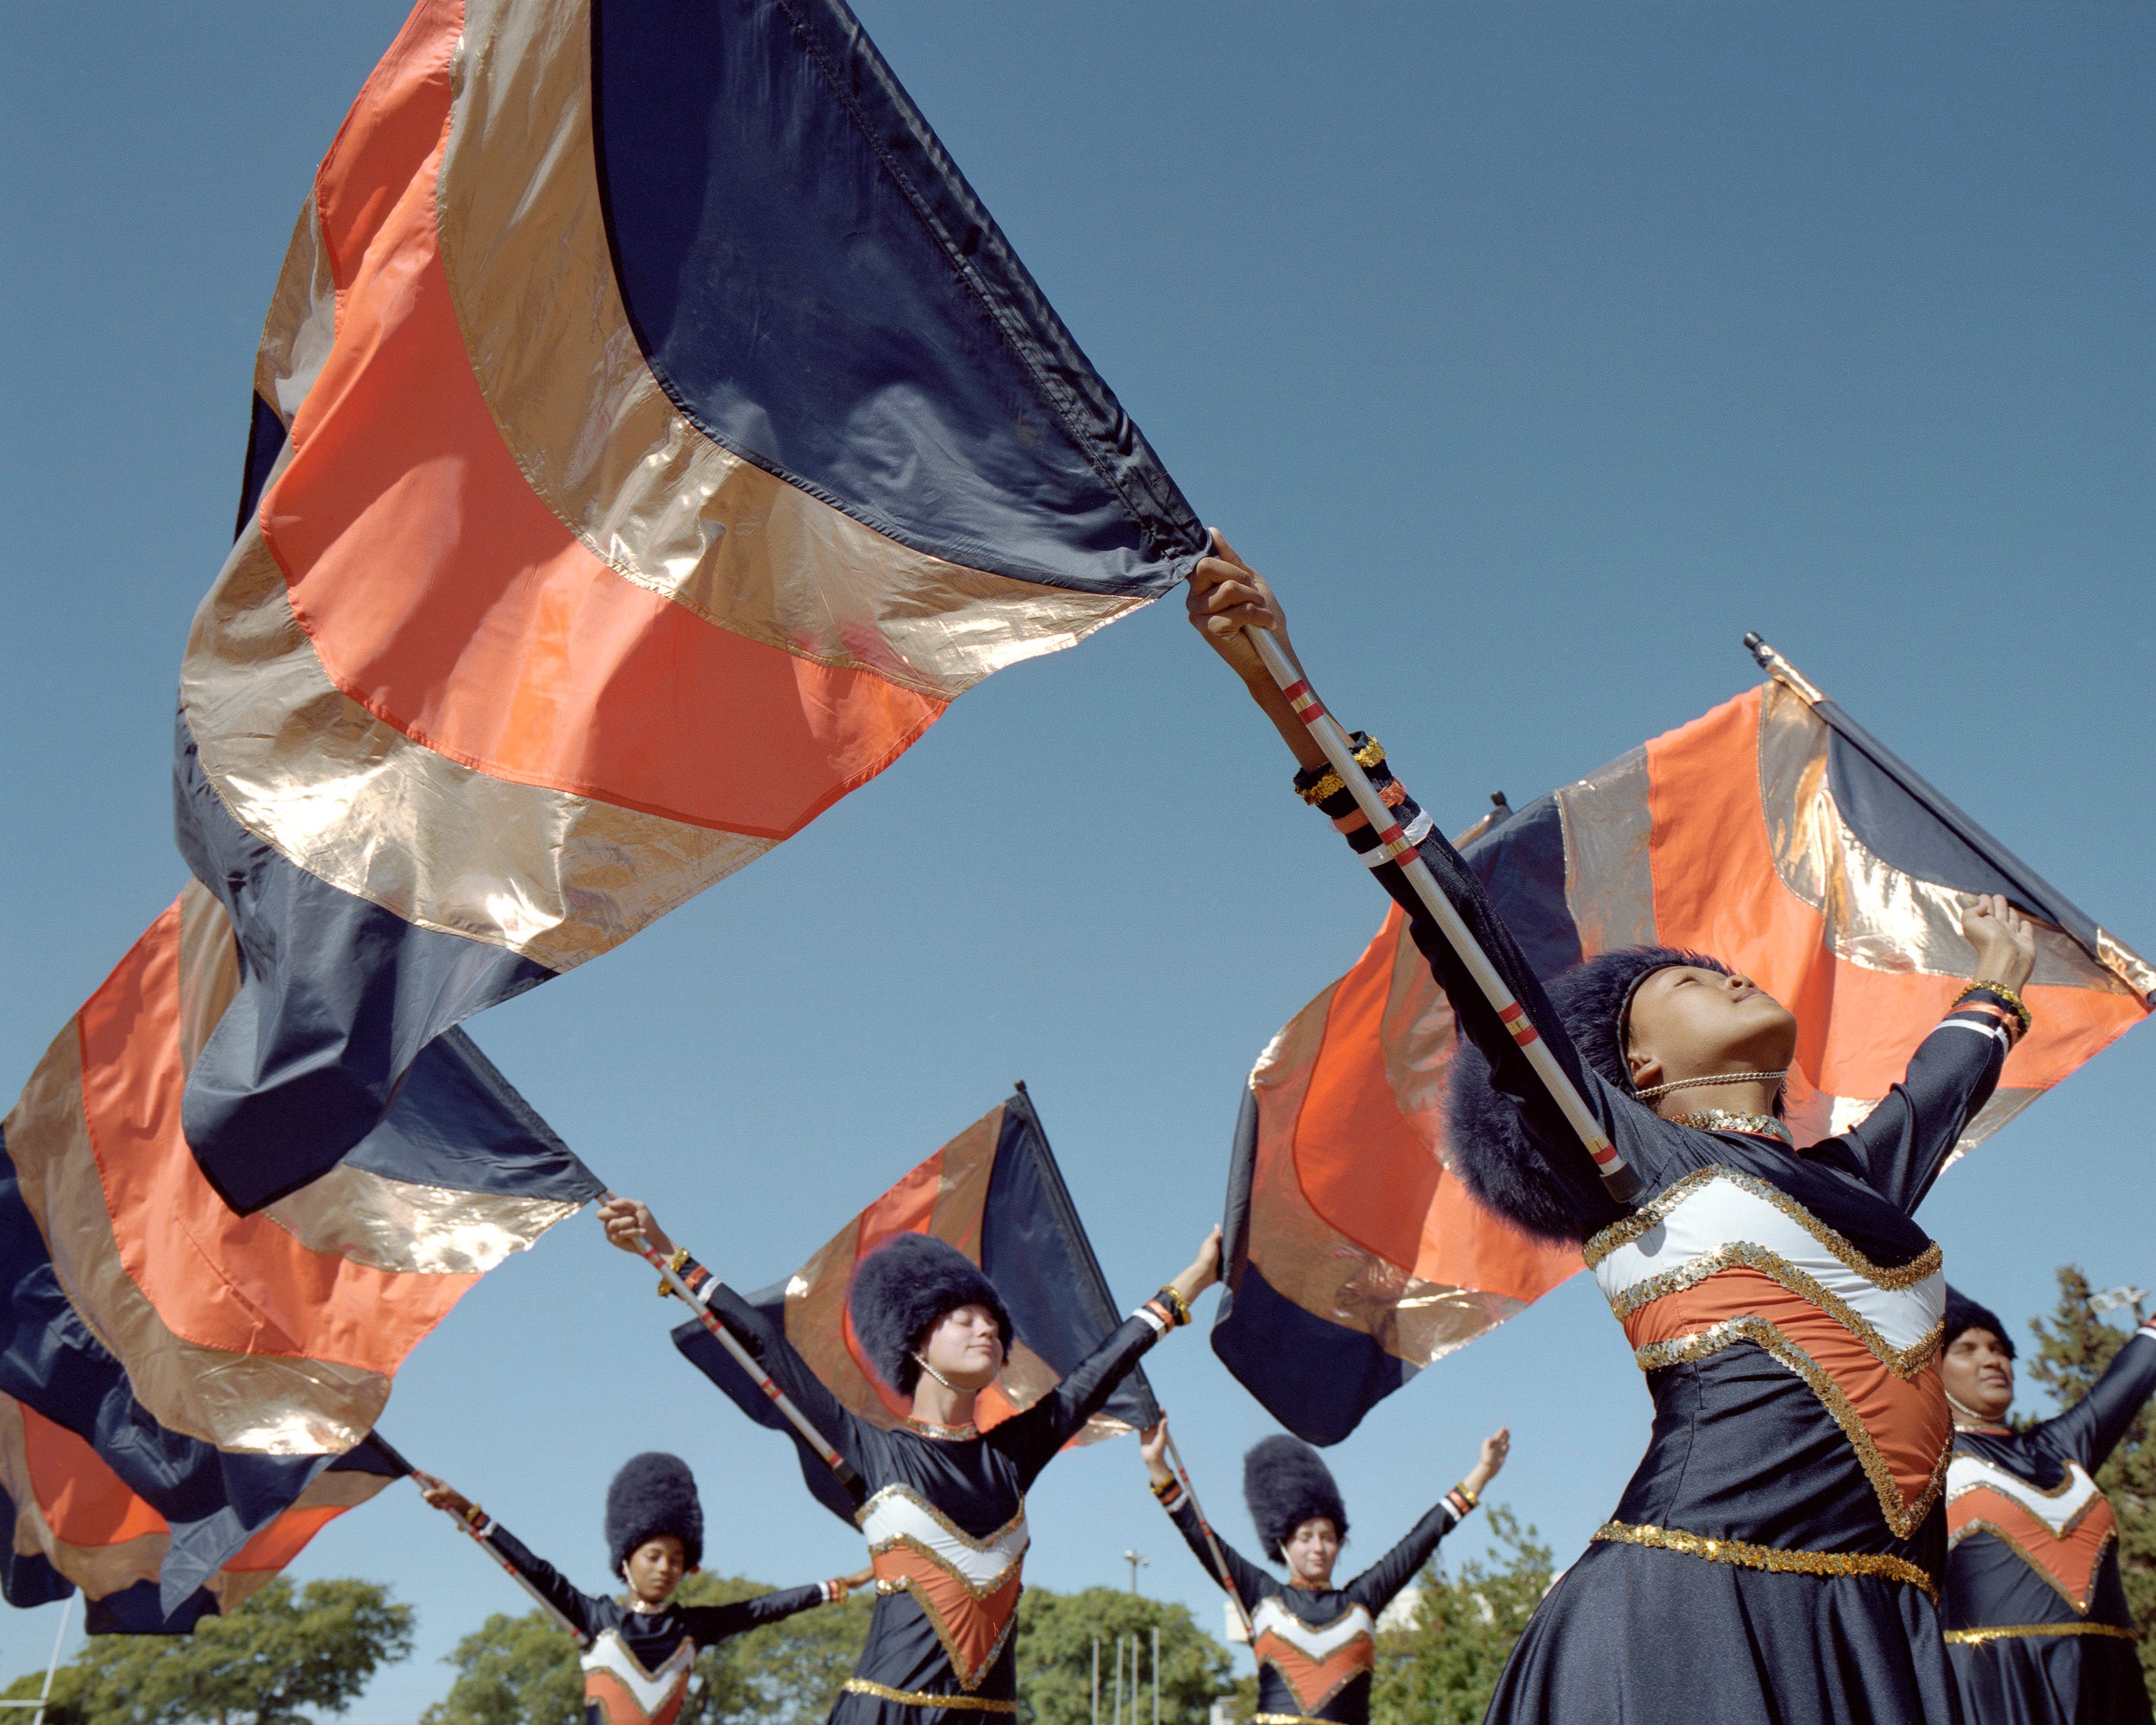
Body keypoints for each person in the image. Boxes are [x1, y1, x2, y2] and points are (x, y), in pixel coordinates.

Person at [1186, 535, 2038, 1723]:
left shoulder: (1856, 1184)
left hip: (1881, 1639)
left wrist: (1998, 984)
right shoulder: (1633, 1164)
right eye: (1684, 979)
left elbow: (1939, 1089)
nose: (1724, 973)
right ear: (1639, 1066)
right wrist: (1287, 691)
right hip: (1687, 1627)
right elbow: (1459, 927)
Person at [597, 1198, 1221, 1722]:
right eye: (965, 1318)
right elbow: (762, 1344)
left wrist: (1195, 1278)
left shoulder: (1015, 1453)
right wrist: (666, 1250)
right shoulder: (868, 1447)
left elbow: (1106, 1362)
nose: (988, 1332)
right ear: (918, 1339)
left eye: (995, 1326)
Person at [417, 1452, 868, 1725]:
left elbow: (763, 1609)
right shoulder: (595, 1619)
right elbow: (533, 1570)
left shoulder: (694, 1627)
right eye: (654, 1556)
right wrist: (469, 1512)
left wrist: (840, 1584)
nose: (666, 1569)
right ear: (627, 1560)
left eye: (676, 1560)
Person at [1139, 1415, 1507, 1724]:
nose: (1318, 1547)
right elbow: (1201, 1536)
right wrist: (1158, 1465)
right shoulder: (1261, 1595)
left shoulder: (1363, 1599)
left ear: (1340, 1542)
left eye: (1328, 1537)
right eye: (1305, 1537)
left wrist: (1482, 1473)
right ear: (1283, 1544)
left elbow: (1423, 1538)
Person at [1939, 1285, 2156, 1723]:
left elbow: (2137, 1370)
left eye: (1999, 1348)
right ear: (1931, 1369)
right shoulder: (1924, 1461)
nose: (1992, 1360)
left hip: (2109, 1683)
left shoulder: (2063, 1446)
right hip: (1993, 1687)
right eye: (1967, 1349)